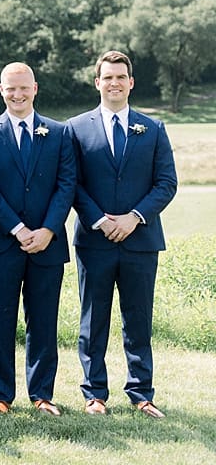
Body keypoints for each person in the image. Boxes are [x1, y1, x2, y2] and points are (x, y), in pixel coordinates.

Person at [68, 50, 177, 418]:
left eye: (120, 77)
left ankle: (141, 393)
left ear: (131, 82)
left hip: (141, 241)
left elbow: (166, 183)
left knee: (138, 319)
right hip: (93, 240)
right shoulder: (76, 128)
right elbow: (72, 183)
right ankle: (94, 394)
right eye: (107, 77)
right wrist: (100, 220)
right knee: (93, 319)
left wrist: (134, 217)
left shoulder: (154, 128)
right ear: (97, 82)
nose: (114, 83)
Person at [0, 62, 75, 416]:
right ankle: (0, 395)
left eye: (23, 88)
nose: (17, 94)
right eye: (10, 88)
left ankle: (42, 394)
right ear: (1, 90)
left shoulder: (59, 133)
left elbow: (66, 185)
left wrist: (47, 229)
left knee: (44, 320)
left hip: (48, 242)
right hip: (2, 241)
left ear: (35, 88)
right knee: (0, 320)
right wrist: (18, 229)